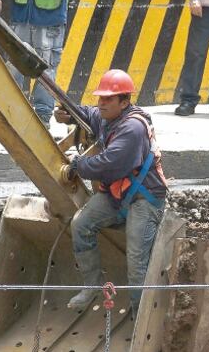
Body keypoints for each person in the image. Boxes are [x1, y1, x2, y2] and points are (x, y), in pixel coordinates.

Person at [55, 69, 167, 314]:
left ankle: (139, 315)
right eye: (100, 98)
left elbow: (110, 164)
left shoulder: (133, 129)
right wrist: (68, 114)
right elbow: (86, 112)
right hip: (118, 194)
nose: (101, 103)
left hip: (144, 199)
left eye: (108, 99)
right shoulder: (107, 116)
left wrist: (78, 166)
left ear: (125, 102)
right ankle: (91, 286)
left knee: (137, 262)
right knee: (80, 224)